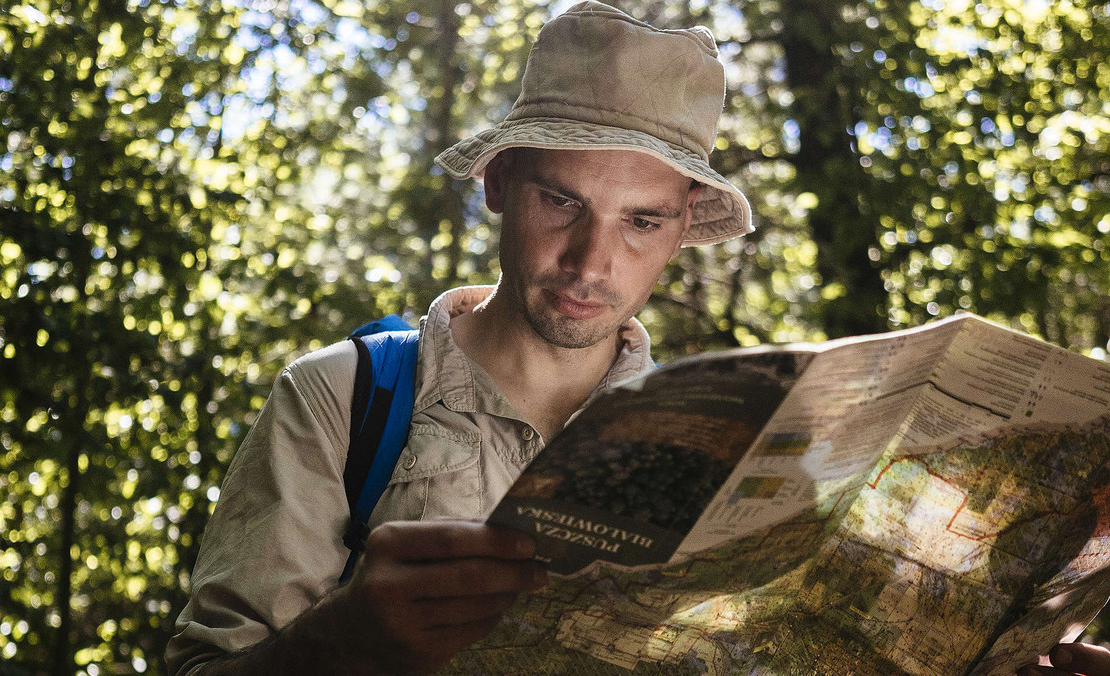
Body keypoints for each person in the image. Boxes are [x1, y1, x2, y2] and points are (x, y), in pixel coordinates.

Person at [165, 3, 1108, 675]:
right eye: (560, 200)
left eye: (641, 222)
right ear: (497, 183)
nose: (590, 261)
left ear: (682, 226)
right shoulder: (346, 399)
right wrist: (343, 644)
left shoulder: (751, 446)